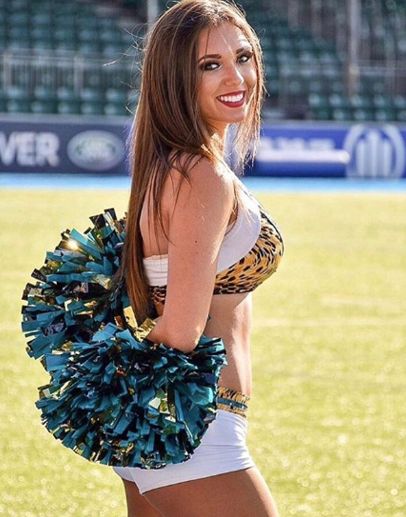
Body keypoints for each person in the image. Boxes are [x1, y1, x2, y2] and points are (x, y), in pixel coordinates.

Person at [112, 1, 284, 515]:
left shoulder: (171, 168)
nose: (236, 76)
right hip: (194, 431)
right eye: (209, 65)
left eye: (244, 56)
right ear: (173, 79)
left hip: (169, 425)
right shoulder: (200, 176)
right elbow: (181, 331)